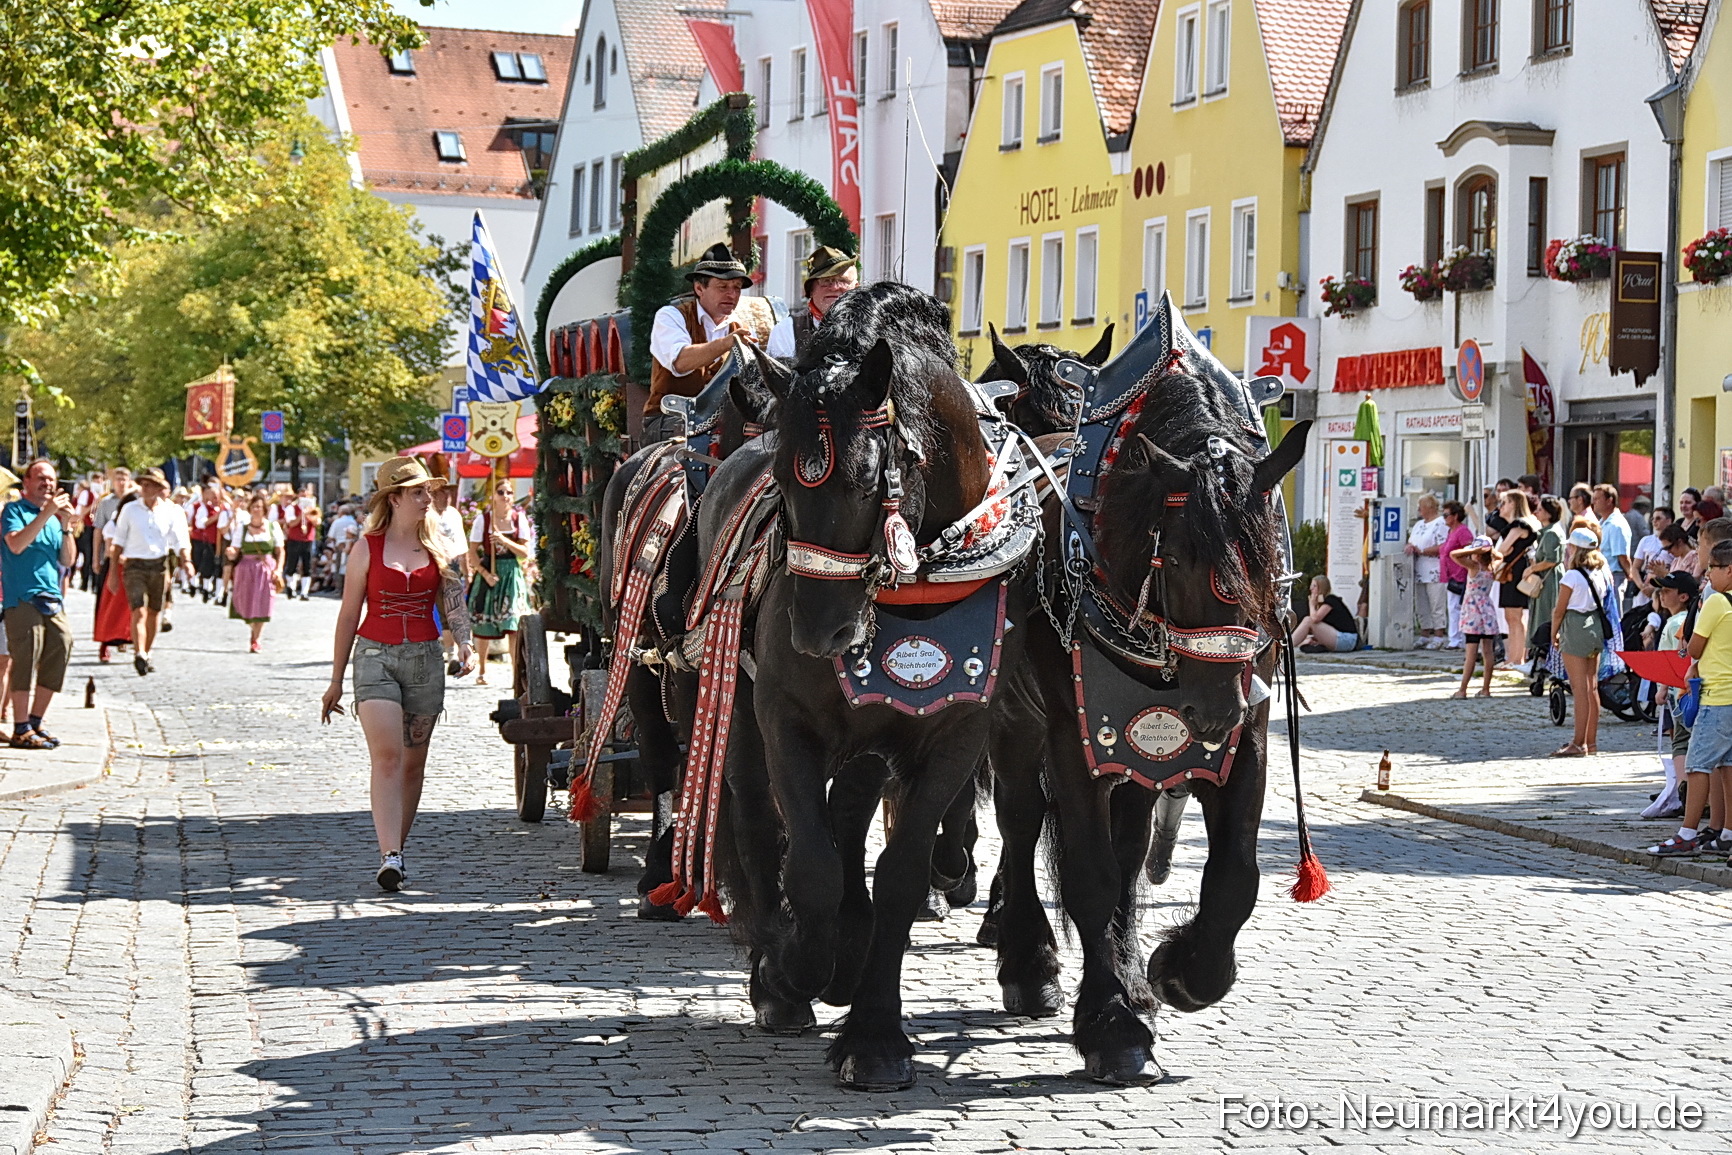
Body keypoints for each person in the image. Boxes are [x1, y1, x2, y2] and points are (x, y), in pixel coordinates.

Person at [321, 458, 474, 891]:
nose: (429, 499)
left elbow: (454, 606)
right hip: (375, 658)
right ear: (394, 499)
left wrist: (464, 643)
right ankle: (389, 853)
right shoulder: (366, 547)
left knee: (412, 765)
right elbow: (349, 614)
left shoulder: (439, 547)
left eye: (429, 492)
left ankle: (397, 852)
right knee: (387, 757)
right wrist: (335, 680)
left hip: (425, 660)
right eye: (419, 493)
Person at [644, 242, 776, 444]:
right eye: (723, 287)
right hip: (669, 419)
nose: (732, 295)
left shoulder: (740, 327)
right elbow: (680, 361)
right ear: (699, 288)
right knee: (700, 443)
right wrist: (727, 343)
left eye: (737, 288)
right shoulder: (671, 316)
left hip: (722, 423)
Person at [1649, 539, 1732, 857]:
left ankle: (1686, 833)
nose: (1707, 573)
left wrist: (1692, 654)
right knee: (1728, 765)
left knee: (1698, 764)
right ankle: (1726, 834)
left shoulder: (1715, 602)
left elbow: (1693, 647)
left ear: (1728, 569)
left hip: (1715, 693)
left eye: (1712, 567)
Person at [0, 461, 78, 749]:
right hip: (21, 596)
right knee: (26, 654)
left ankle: (35, 720)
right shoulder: (15, 511)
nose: (47, 484)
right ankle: (20, 726)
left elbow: (67, 560)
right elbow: (16, 545)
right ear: (27, 482)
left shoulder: (55, 520)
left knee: (62, 644)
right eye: (41, 478)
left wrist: (67, 527)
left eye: (52, 480)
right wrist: (46, 514)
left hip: (51, 596)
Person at [106, 468, 193, 676]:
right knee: (139, 610)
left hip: (159, 565)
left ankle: (147, 651)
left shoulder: (171, 511)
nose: (144, 488)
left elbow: (180, 539)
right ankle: (139, 654)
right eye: (143, 484)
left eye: (149, 485)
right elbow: (117, 543)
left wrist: (187, 561)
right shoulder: (129, 510)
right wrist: (112, 573)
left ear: (158, 489)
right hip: (134, 565)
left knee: (155, 611)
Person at [1549, 525, 1614, 757]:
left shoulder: (1572, 575)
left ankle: (1578, 743)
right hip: (1594, 626)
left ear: (1575, 549)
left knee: (1579, 689)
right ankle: (1591, 741)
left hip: (1575, 627)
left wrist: (1553, 632)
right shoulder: (1601, 573)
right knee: (1591, 686)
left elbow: (1559, 609)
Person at [1641, 570, 1699, 821]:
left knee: (1681, 742)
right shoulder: (1686, 617)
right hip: (1688, 690)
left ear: (1684, 596)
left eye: (1667, 591)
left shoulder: (1676, 623)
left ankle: (1682, 793)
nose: (1661, 595)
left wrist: (1662, 689)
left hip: (1679, 692)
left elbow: (1670, 661)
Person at [466, 479, 535, 686]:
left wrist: (504, 541)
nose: (505, 496)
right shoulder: (483, 520)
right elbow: (472, 553)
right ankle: (483, 669)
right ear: (493, 496)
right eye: (501, 492)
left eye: (509, 492)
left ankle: (515, 673)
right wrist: (484, 574)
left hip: (511, 573)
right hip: (490, 573)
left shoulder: (518, 519)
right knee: (485, 624)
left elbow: (525, 552)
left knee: (512, 623)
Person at [767, 246, 859, 360]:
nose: (835, 287)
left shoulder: (872, 325)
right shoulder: (787, 330)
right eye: (826, 281)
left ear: (856, 288)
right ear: (811, 290)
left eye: (843, 281)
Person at [227, 493, 285, 653]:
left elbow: (280, 551)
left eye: (259, 507)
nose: (256, 510)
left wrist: (278, 569)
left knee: (263, 602)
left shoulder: (273, 527)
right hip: (246, 568)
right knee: (245, 602)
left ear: (265, 509)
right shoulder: (243, 528)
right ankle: (252, 628)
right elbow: (235, 549)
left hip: (266, 568)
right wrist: (231, 552)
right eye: (254, 507)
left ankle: (256, 639)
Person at [1449, 535, 1502, 699]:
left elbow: (1453, 554)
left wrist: (1473, 549)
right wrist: (1489, 550)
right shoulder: (1492, 566)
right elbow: (1501, 556)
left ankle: (1463, 689)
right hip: (1487, 610)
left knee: (1471, 653)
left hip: (1473, 611)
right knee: (1488, 651)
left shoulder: (1474, 566)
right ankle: (1486, 689)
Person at [1490, 490, 1538, 667]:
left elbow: (1501, 550)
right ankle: (1513, 657)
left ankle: (1518, 658)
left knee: (1516, 616)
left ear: (1514, 504)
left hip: (1516, 572)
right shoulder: (1515, 526)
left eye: (1504, 503)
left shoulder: (1520, 525)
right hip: (1512, 571)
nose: (1501, 507)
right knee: (1511, 616)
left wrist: (1503, 551)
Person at [1525, 494, 1567, 682]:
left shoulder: (1551, 533)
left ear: (1549, 513)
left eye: (1540, 509)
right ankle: (1541, 658)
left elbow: (1551, 560)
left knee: (1545, 617)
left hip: (1549, 581)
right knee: (1540, 615)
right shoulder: (1547, 531)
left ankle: (1546, 659)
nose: (1536, 512)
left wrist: (1532, 568)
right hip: (1546, 580)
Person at [93, 491, 137, 662]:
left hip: (134, 570)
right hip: (115, 568)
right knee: (108, 609)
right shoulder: (113, 524)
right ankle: (104, 645)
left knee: (133, 610)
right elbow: (111, 549)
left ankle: (136, 645)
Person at [431, 482, 470, 675]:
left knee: (453, 610)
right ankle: (449, 652)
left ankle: (454, 654)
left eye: (448, 494)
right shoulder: (426, 515)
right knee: (440, 610)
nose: (446, 498)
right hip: (433, 566)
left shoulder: (454, 514)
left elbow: (462, 545)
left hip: (453, 567)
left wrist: (467, 570)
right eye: (441, 494)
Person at [1405, 493, 1449, 649]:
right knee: (1421, 604)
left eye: (1421, 506)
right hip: (1418, 569)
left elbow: (1443, 546)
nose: (1419, 509)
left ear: (1430, 507)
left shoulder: (1440, 523)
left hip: (1434, 569)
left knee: (1436, 603)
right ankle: (1424, 633)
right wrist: (1410, 547)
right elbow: (1411, 541)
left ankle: (1438, 635)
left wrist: (1422, 550)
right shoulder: (1418, 525)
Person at [1590, 483, 1636, 602]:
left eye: (1597, 499)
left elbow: (1622, 556)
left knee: (1613, 614)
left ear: (1609, 500)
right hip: (1601, 575)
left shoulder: (1616, 525)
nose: (1593, 502)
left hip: (1614, 576)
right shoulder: (1602, 523)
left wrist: (1630, 574)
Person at [1290, 575, 1359, 653]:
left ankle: (1288, 646)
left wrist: (1311, 605)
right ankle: (1291, 644)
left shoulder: (1331, 600)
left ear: (1321, 587)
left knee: (1308, 620)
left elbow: (1315, 619)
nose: (1311, 588)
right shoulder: (1322, 603)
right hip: (1341, 638)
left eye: (1314, 586)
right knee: (1306, 638)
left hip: (1347, 639)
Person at [1438, 501, 1473, 649]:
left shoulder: (1462, 531)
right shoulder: (1451, 531)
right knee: (1452, 607)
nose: (1444, 518)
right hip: (1450, 574)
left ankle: (1458, 639)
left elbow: (1470, 550)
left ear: (1456, 516)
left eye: (1447, 515)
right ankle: (1455, 638)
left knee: (1457, 607)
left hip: (1460, 573)